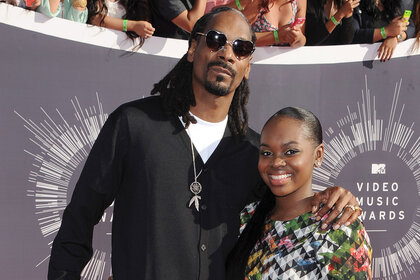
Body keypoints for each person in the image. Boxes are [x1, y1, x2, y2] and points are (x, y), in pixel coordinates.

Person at [48, 7, 361, 280]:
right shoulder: (133, 124)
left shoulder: (254, 154)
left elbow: (286, 213)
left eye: (241, 48)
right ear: (193, 48)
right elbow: (79, 219)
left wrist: (334, 196)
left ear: (247, 67)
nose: (226, 53)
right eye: (215, 40)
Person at [226, 107, 372, 279]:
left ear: (318, 155)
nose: (276, 162)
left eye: (290, 152)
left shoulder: (338, 227)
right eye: (267, 153)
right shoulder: (247, 216)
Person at [225, 0, 307, 47]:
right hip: (254, 66)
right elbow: (239, 38)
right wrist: (277, 36)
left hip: (285, 68)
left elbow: (300, 41)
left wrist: (298, 38)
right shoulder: (255, 2)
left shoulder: (300, 1)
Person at [87, 0, 154, 46]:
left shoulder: (137, 4)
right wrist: (133, 26)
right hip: (95, 47)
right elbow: (96, 19)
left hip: (121, 53)